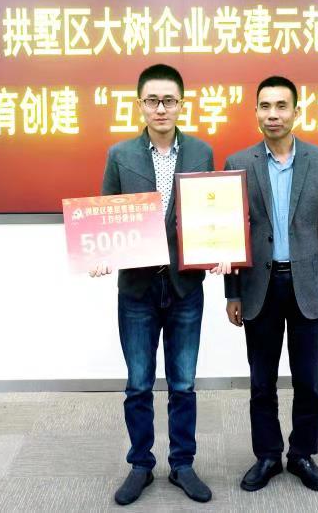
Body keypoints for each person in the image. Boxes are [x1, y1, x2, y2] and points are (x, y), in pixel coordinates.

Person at [92, 64, 214, 505]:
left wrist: (221, 249)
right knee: (139, 384)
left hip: (185, 286)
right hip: (137, 290)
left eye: (169, 100)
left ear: (181, 104)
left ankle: (182, 464)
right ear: (140, 104)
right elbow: (106, 213)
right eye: (152, 100)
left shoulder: (201, 152)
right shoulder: (120, 154)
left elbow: (212, 215)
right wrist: (100, 252)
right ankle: (140, 465)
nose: (161, 108)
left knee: (183, 384)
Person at [219, 75, 318, 492]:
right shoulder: (237, 163)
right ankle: (268, 455)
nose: (273, 114)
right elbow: (229, 234)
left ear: (296, 111)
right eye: (265, 106)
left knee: (308, 381)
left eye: (281, 106)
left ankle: (302, 454)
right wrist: (232, 292)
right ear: (255, 111)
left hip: (308, 285)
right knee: (261, 382)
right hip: (259, 286)